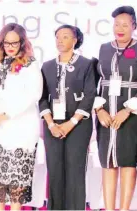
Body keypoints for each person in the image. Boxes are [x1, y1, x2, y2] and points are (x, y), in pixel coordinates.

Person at [0, 23, 42, 211]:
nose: (11, 47)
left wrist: (7, 115)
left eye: (15, 43)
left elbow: (34, 94)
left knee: (17, 179)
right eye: (7, 43)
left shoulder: (31, 64)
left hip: (21, 127)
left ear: (22, 43)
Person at [93, 6, 137, 210]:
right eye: (117, 24)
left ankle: (124, 208)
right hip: (106, 113)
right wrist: (99, 110)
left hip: (132, 114)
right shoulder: (103, 48)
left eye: (125, 24)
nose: (120, 28)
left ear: (134, 26)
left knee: (127, 162)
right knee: (108, 163)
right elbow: (96, 82)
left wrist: (127, 110)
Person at [39, 24, 96, 210]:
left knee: (75, 171)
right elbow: (42, 98)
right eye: (57, 37)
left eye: (65, 36)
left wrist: (70, 123)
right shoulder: (47, 66)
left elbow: (89, 96)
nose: (60, 40)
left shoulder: (87, 64)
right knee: (54, 170)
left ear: (75, 40)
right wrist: (51, 125)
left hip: (78, 125)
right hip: (52, 126)